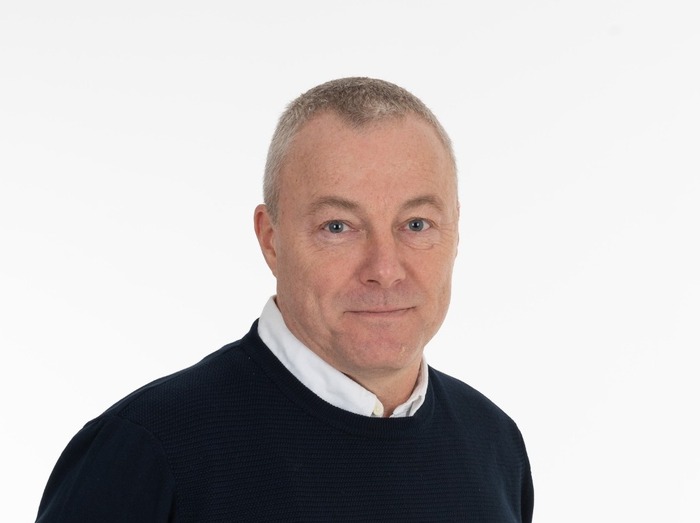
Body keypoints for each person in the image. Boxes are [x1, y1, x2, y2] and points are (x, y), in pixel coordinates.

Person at [36, 77, 534, 522]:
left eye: (416, 224)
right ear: (271, 240)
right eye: (337, 227)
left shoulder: (493, 445)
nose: (384, 269)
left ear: (455, 231)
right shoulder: (147, 451)